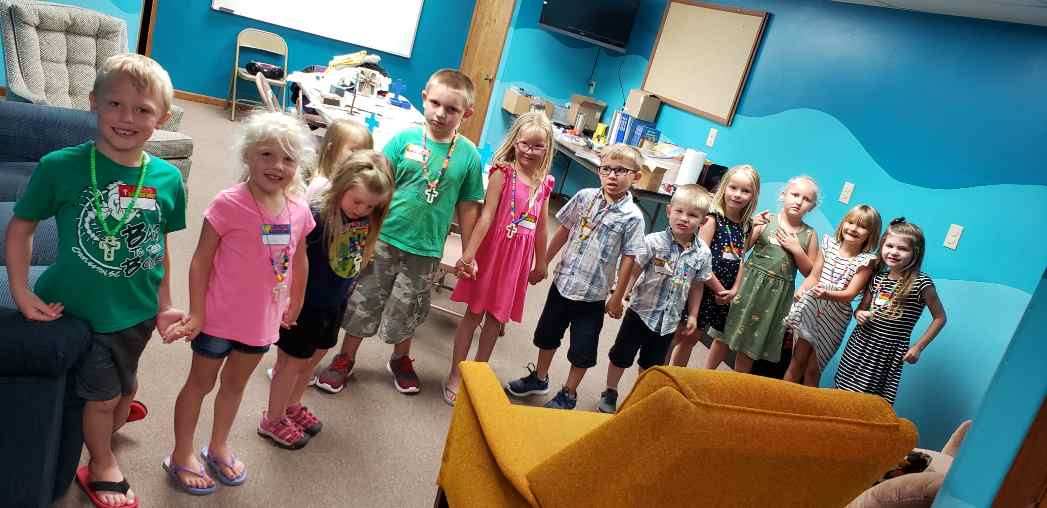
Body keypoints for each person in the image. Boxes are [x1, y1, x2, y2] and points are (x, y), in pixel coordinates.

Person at [5, 54, 186, 508]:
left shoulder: (167, 179)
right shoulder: (60, 166)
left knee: (127, 388)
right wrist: (21, 290)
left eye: (143, 109)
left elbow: (158, 245)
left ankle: (108, 412)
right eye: (114, 104)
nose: (127, 118)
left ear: (162, 118)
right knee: (103, 399)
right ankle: (101, 461)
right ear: (93, 104)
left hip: (138, 312)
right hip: (76, 311)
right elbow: (22, 227)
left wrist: (165, 304)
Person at [165, 112, 316, 493]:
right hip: (217, 319)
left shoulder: (298, 209)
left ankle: (218, 445)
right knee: (200, 383)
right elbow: (200, 260)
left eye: (287, 158)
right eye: (266, 154)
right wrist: (197, 312)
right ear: (248, 155)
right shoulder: (228, 203)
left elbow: (300, 257)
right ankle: (181, 452)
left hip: (260, 323)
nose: (277, 166)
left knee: (234, 386)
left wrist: (296, 299)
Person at [315, 69, 484, 395]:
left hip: (425, 248)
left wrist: (468, 252)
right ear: (425, 98)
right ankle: (345, 357)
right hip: (383, 239)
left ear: (467, 113)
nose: (440, 113)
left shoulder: (468, 156)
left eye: (452, 109)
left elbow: (468, 207)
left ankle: (400, 359)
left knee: (409, 306)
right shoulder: (403, 140)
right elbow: (376, 185)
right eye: (435, 104)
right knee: (364, 299)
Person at [505, 143, 646, 410]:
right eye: (606, 169)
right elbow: (564, 230)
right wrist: (542, 263)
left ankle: (569, 392)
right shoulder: (584, 197)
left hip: (593, 296)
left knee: (582, 349)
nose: (612, 176)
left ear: (636, 176)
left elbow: (630, 257)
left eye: (621, 170)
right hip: (563, 283)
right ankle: (540, 378)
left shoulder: (633, 217)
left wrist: (617, 297)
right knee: (547, 335)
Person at [265, 151, 393, 440]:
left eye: (371, 206)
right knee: (290, 364)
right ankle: (272, 418)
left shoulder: (365, 221)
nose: (362, 209)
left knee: (311, 360)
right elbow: (277, 247)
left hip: (332, 305)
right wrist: (283, 298)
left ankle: (292, 405)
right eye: (357, 201)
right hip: (303, 306)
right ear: (341, 186)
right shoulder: (315, 214)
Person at [442, 112, 556, 405]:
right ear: (515, 142)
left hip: (516, 261)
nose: (529, 151)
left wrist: (541, 262)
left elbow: (542, 227)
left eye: (537, 146)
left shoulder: (545, 183)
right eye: (525, 143)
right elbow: (487, 216)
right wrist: (468, 254)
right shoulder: (502, 173)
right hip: (492, 253)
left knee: (496, 318)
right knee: (474, 314)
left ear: (547, 149)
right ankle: (456, 373)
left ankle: (477, 374)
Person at [597, 185, 713, 413]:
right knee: (621, 355)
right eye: (679, 211)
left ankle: (639, 396)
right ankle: (610, 390)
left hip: (668, 322)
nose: (684, 218)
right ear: (669, 211)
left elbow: (697, 286)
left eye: (692, 215)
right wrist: (621, 295)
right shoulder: (653, 241)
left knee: (651, 365)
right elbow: (634, 270)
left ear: (703, 220)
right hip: (640, 312)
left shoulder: (703, 254)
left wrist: (693, 315)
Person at [834, 218, 947, 404]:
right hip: (860, 344)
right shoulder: (878, 278)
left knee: (867, 401)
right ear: (882, 246)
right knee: (842, 391)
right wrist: (859, 314)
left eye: (902, 248)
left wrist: (918, 347)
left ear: (916, 253)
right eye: (889, 246)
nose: (894, 252)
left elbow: (940, 318)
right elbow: (861, 309)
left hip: (887, 353)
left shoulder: (921, 284)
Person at [719, 176, 821, 373]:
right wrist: (751, 227)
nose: (799, 201)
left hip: (775, 297)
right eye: (795, 194)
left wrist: (797, 250)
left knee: (750, 344)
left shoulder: (810, 234)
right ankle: (704, 373)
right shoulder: (767, 220)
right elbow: (741, 250)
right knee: (723, 334)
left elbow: (810, 272)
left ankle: (735, 384)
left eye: (806, 199)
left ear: (812, 206)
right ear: (783, 195)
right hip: (748, 285)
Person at [669, 164, 761, 368]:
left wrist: (734, 290)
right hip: (700, 288)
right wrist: (720, 289)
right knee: (677, 336)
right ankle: (657, 376)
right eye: (733, 187)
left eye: (745, 191)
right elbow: (700, 261)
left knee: (692, 339)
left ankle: (674, 378)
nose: (737, 194)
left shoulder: (746, 225)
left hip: (719, 295)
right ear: (724, 187)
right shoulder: (712, 219)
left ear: (753, 196)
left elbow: (741, 259)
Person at [783, 204, 881, 386]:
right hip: (812, 309)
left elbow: (849, 294)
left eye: (862, 226)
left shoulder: (866, 261)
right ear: (843, 223)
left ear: (871, 234)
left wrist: (827, 293)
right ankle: (780, 399)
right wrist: (803, 289)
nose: (853, 228)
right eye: (850, 222)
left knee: (813, 370)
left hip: (835, 318)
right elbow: (814, 276)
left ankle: (806, 405)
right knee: (797, 361)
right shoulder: (828, 245)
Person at [305, 118, 373, 200]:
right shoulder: (323, 187)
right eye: (354, 150)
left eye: (365, 152)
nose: (362, 156)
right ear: (332, 149)